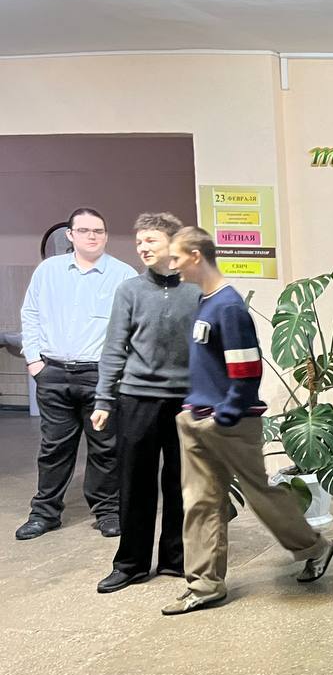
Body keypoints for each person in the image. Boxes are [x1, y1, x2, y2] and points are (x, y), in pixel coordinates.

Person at [162, 226, 333, 616]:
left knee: (260, 495)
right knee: (200, 503)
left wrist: (223, 414)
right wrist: (193, 409)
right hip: (197, 419)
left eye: (176, 257)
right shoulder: (205, 302)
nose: (172, 266)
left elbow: (247, 370)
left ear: (196, 256)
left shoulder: (228, 306)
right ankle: (205, 585)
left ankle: (315, 547)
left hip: (230, 423)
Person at [90, 213, 201, 593]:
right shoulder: (130, 291)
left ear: (173, 243)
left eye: (151, 240)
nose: (143, 248)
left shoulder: (196, 291)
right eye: (139, 242)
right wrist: (103, 399)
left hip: (185, 401)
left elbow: (209, 348)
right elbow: (113, 348)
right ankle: (131, 564)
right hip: (137, 398)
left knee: (180, 483)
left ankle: (175, 558)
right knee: (135, 484)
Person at [17, 207, 135, 541]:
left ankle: (108, 511)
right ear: (70, 235)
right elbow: (30, 314)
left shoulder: (123, 275)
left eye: (98, 230)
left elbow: (132, 327)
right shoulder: (49, 271)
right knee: (53, 448)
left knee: (105, 447)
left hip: (101, 377)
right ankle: (44, 513)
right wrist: (34, 361)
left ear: (106, 235)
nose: (92, 236)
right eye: (84, 230)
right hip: (53, 373)